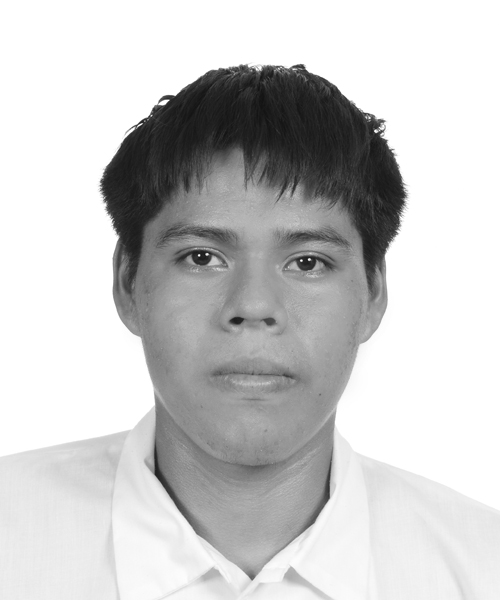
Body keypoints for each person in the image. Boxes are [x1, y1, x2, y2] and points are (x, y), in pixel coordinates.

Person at [1, 64, 499, 600]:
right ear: (127, 281)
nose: (254, 306)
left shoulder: (482, 566)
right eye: (202, 257)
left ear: (373, 293)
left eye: (308, 262)